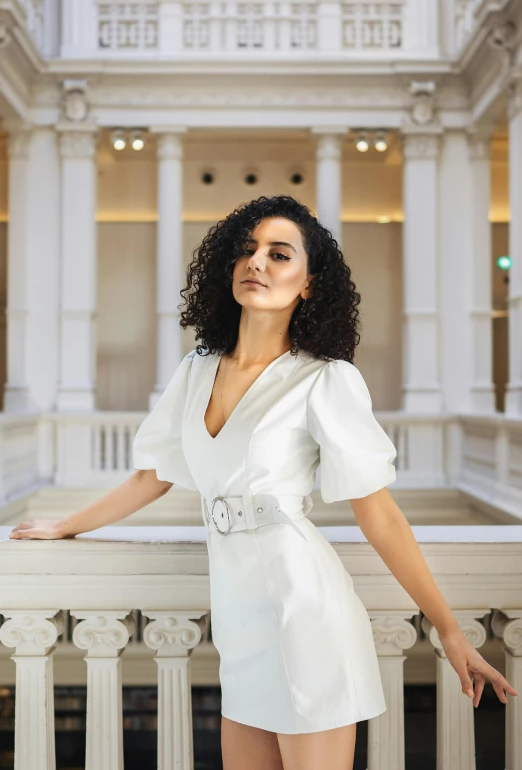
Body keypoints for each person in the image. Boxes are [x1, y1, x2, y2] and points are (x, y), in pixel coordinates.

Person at [9, 194, 517, 770]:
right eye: (247, 250)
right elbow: (152, 476)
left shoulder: (326, 380)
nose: (257, 263)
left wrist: (449, 631)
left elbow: (378, 514)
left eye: (279, 254)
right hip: (240, 623)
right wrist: (63, 526)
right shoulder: (197, 368)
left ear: (308, 285)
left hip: (306, 615)